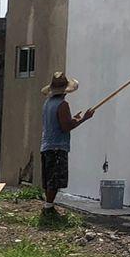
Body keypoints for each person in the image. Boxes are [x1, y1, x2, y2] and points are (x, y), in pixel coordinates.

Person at [40, 71, 94, 213]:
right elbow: (66, 127)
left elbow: (60, 123)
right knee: (55, 179)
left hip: (46, 145)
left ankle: (48, 205)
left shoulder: (48, 103)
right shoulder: (63, 105)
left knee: (49, 178)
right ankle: (48, 207)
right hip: (57, 146)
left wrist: (74, 119)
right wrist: (84, 119)